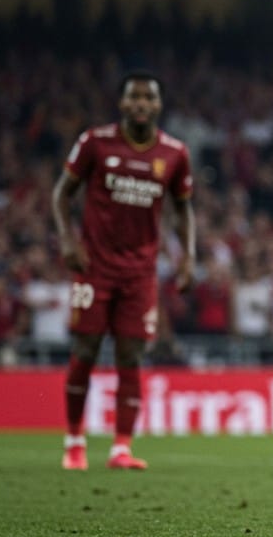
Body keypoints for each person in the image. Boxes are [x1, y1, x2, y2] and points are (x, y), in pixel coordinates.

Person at [52, 72, 195, 470]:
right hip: (94, 266)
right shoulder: (95, 142)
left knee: (131, 356)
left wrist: (188, 256)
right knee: (86, 349)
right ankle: (74, 441)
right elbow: (62, 192)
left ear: (158, 105)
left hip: (140, 272)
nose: (141, 104)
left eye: (148, 97)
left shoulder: (174, 153)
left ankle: (121, 448)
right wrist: (67, 239)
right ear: (122, 103)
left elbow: (184, 209)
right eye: (134, 97)